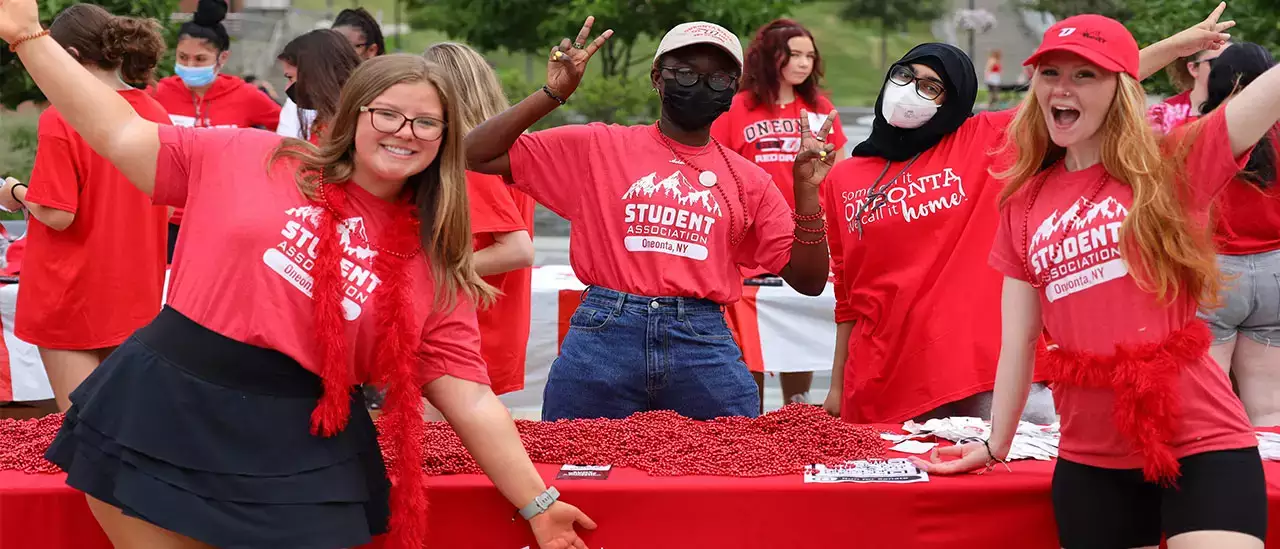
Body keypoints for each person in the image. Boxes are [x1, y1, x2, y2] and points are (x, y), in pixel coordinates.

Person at [1, 6, 595, 549]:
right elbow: (117, 131)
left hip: (302, 436)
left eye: (426, 123)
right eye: (387, 112)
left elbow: (469, 396)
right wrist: (27, 36)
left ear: (445, 141)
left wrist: (538, 503)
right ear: (355, 113)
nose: (403, 131)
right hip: (166, 404)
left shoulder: (430, 261)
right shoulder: (254, 156)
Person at [918, 8, 1277, 549]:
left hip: (1203, 443)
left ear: (1120, 88)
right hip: (1091, 461)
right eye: (1051, 73)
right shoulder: (1023, 202)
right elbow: (1017, 343)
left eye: (1085, 74)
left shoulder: (1172, 165)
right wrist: (997, 443)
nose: (1063, 87)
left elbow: (1263, 98)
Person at [466, 18, 836, 421]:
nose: (700, 84)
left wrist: (806, 191)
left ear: (732, 89)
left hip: (702, 338)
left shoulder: (749, 180)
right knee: (576, 470)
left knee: (725, 473)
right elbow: (475, 154)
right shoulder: (598, 145)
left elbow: (809, 279)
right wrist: (553, 93)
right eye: (685, 73)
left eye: (718, 78)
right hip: (604, 332)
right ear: (657, 78)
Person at [819, 42, 1057, 425]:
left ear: (954, 101)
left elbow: (1074, 92)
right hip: (883, 384)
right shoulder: (843, 178)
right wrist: (835, 387)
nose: (909, 89)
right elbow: (848, 296)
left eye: (931, 86)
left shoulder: (987, 141)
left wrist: (1181, 44)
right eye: (904, 75)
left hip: (986, 378)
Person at [0, 4, 169, 412]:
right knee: (126, 424)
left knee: (84, 432)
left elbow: (58, 213)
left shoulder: (62, 119)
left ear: (69, 58)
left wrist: (15, 192)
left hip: (71, 294)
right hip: (136, 291)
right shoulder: (156, 113)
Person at [711, 18, 845, 409]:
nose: (804, 63)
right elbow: (718, 167)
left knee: (796, 321)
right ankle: (749, 409)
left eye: (809, 55)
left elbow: (836, 169)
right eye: (794, 54)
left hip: (804, 231)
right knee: (747, 329)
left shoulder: (820, 108)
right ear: (772, 57)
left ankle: (796, 408)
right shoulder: (738, 106)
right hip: (748, 235)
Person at [426, 41, 535, 397]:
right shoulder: (508, 153)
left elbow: (518, 249)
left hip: (465, 334)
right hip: (493, 324)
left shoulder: (466, 160)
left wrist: (428, 275)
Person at [152, 0, 282, 264]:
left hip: (222, 218)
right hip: (167, 219)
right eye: (183, 57)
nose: (190, 65)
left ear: (222, 58)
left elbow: (285, 129)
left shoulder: (245, 96)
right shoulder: (161, 92)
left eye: (200, 59)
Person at [1193, 42, 1280, 427]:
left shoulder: (1198, 134)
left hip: (1216, 272)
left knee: (1207, 405)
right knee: (1270, 408)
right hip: (1276, 271)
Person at [279, 8, 385, 139]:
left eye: (346, 47)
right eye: (331, 47)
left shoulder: (385, 97)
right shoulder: (303, 97)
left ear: (372, 51)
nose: (335, 55)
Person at [276, 29, 362, 143]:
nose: (287, 88)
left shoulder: (360, 123)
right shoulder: (324, 123)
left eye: (290, 78)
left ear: (317, 75)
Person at [1147, 44, 1227, 134]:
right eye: (1218, 63)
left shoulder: (1242, 108)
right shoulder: (1162, 115)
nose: (1229, 69)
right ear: (1194, 69)